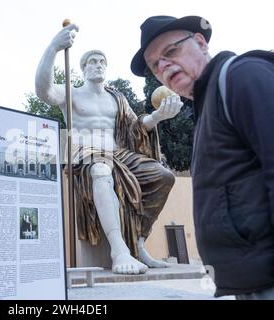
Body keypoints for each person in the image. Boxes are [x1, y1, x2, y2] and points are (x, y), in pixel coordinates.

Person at [131, 15, 274, 299]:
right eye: (155, 65)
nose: (163, 66)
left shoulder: (241, 76)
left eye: (171, 51)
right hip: (252, 284)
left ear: (200, 42)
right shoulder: (207, 103)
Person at [35, 24, 182, 274]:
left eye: (102, 61)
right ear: (83, 68)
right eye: (92, 61)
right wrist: (53, 48)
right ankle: (119, 251)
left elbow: (136, 127)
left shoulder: (117, 98)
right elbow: (43, 91)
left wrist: (157, 116)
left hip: (119, 153)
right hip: (86, 153)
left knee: (164, 176)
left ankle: (139, 243)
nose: (98, 64)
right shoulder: (72, 92)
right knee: (102, 170)